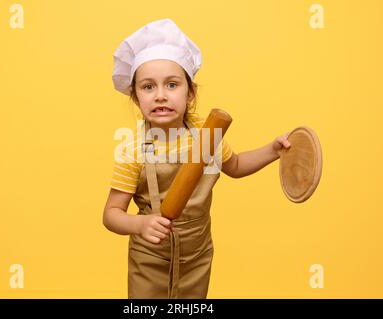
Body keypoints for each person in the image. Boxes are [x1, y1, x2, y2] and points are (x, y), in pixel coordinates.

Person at [103, 18, 291, 299]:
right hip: (150, 258)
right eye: (148, 87)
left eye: (172, 84)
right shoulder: (132, 149)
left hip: (197, 255)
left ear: (190, 94)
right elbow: (111, 214)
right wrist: (140, 225)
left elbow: (236, 166)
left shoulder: (207, 136)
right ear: (135, 98)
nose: (160, 96)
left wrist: (272, 150)